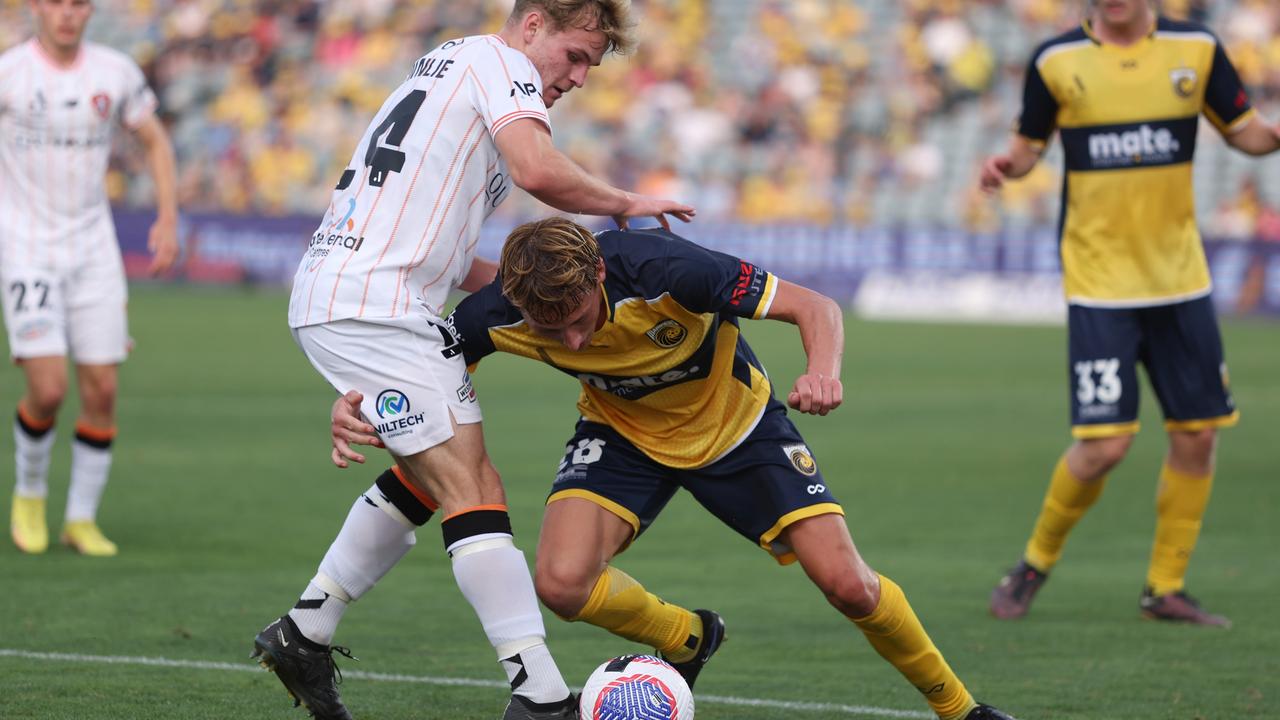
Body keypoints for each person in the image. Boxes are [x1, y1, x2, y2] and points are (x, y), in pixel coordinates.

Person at [327, 217, 1020, 720]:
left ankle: (962, 712)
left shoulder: (672, 271)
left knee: (850, 587)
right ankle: (688, 639)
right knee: (561, 584)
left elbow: (817, 307)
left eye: (577, 318)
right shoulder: (498, 314)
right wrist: (357, 407)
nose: (571, 339)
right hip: (621, 434)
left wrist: (822, 372)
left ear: (599, 272)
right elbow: (418, 380)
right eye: (551, 331)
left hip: (738, 427)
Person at [252, 2, 695, 719]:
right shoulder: (502, 67)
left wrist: (563, 298)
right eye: (576, 55)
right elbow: (538, 171)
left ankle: (306, 629)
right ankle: (541, 692)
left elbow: (453, 257)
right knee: (474, 485)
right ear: (533, 27)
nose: (579, 77)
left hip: (365, 296)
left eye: (591, 65)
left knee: (428, 479)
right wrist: (623, 201)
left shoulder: (454, 70)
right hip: (375, 304)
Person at [980, 0, 1280, 626]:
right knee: (1104, 447)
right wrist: (1009, 165)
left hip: (1180, 279)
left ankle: (1164, 587)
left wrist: (1274, 133)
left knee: (1197, 435)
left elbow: (1245, 130)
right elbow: (1029, 145)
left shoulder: (1196, 50)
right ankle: (1033, 563)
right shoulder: (1056, 59)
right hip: (1101, 283)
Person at [2, 0, 179, 558]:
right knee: (49, 388)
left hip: (93, 249)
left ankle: (80, 519)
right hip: (26, 248)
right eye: (55, 2)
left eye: (78, 3)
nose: (66, 14)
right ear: (36, 8)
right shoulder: (10, 73)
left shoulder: (114, 71)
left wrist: (168, 217)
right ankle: (30, 494)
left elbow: (154, 139)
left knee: (102, 388)